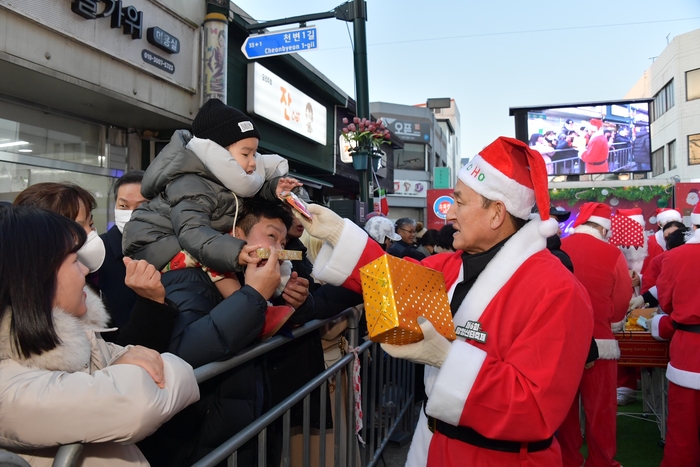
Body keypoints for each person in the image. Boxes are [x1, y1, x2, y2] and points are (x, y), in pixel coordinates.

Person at [295, 136, 594, 466]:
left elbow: (536, 408)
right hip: (433, 444)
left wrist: (449, 358)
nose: (448, 213)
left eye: (460, 202)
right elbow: (392, 280)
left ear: (496, 213)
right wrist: (339, 234)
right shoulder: (450, 266)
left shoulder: (558, 291)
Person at [0, 206, 199, 466]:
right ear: (35, 277)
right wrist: (122, 372)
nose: (85, 270)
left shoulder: (80, 335)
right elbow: (139, 403)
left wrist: (119, 371)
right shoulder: (11, 387)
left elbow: (172, 376)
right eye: (74, 261)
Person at [123, 98, 301, 299]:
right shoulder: (191, 183)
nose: (253, 163)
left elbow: (253, 192)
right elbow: (193, 232)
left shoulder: (221, 181)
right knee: (216, 261)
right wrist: (235, 251)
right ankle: (251, 305)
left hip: (180, 241)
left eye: (255, 154)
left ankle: (256, 303)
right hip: (155, 246)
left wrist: (274, 188)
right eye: (246, 154)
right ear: (217, 152)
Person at [13, 182, 177, 351]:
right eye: (77, 227)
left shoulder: (91, 283)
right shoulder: (28, 320)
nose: (90, 235)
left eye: (90, 225)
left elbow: (114, 353)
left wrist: (151, 303)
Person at [558, 202, 631, 467]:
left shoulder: (558, 248)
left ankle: (568, 458)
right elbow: (622, 299)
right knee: (602, 409)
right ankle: (601, 461)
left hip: (563, 341)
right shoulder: (612, 254)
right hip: (600, 341)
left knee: (563, 408)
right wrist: (611, 319)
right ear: (603, 227)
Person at [650, 202, 700, 466]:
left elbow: (667, 304)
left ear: (693, 224)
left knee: (683, 429)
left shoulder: (675, 257)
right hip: (688, 348)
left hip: (688, 353)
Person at [641, 208, 682, 275]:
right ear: (659, 224)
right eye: (668, 222)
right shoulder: (648, 242)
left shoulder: (685, 240)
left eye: (675, 222)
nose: (672, 226)